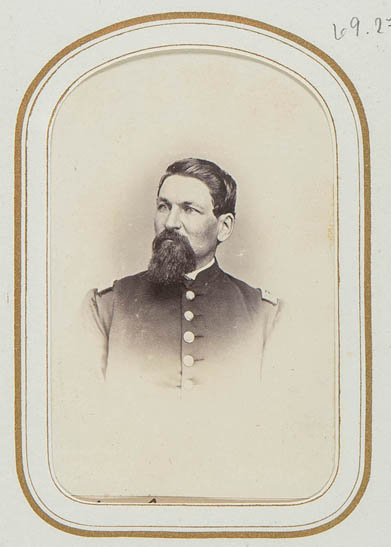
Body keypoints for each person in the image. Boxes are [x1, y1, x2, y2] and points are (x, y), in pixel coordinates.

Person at [84, 158, 280, 395]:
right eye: (163, 206)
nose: (170, 222)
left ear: (224, 227)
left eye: (189, 209)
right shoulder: (107, 307)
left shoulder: (265, 316)